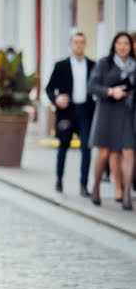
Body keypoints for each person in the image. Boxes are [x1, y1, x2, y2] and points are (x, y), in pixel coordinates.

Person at [87, 31, 135, 210]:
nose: (123, 47)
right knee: (104, 153)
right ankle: (96, 187)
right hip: (107, 112)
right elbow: (91, 87)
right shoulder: (104, 63)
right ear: (114, 45)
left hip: (126, 113)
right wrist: (110, 92)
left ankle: (127, 193)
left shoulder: (134, 66)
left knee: (129, 152)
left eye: (126, 44)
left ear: (131, 47)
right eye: (119, 43)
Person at [45, 32, 95, 197]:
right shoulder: (61, 66)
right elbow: (49, 88)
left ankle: (84, 185)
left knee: (86, 148)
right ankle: (59, 179)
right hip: (66, 112)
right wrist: (56, 99)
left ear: (85, 45)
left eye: (82, 42)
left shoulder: (92, 65)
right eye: (76, 42)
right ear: (71, 45)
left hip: (85, 111)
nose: (79, 45)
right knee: (63, 147)